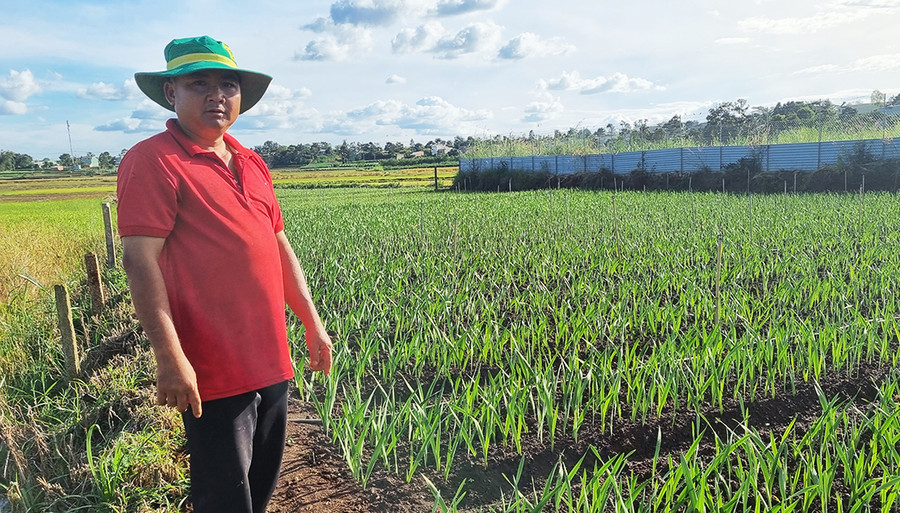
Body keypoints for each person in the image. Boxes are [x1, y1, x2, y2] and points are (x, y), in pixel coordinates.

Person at [116, 35, 333, 513]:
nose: (217, 95)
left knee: (260, 488)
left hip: (271, 358)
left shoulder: (252, 162)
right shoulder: (153, 161)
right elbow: (139, 262)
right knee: (224, 499)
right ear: (171, 92)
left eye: (228, 85)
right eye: (200, 83)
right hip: (212, 370)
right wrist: (170, 358)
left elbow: (277, 245)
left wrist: (311, 322)